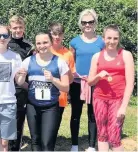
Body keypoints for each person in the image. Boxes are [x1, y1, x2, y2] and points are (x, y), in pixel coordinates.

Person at [17, 31, 70, 151]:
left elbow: (66, 87)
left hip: (50, 107)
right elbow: (20, 82)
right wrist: (21, 77)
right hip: (32, 106)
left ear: (51, 42)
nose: (42, 46)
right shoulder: (28, 61)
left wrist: (53, 79)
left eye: (45, 42)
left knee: (47, 143)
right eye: (39, 43)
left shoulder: (60, 62)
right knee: (35, 141)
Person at [87, 25, 134, 151]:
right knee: (102, 135)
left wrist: (123, 106)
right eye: (109, 38)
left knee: (114, 137)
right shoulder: (97, 56)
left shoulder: (126, 55)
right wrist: (98, 75)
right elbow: (90, 82)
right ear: (103, 38)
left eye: (115, 38)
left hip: (117, 100)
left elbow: (130, 83)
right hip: (99, 99)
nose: (112, 41)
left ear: (119, 39)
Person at [69, 9, 104, 152]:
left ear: (95, 23)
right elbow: (71, 62)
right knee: (75, 114)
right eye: (84, 22)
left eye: (90, 22)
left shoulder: (102, 41)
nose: (87, 25)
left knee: (93, 115)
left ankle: (91, 146)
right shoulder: (74, 41)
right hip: (78, 83)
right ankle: (74, 145)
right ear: (80, 24)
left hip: (95, 83)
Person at [7, 15, 34, 151]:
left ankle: (15, 148)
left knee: (18, 121)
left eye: (20, 27)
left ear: (24, 28)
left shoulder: (30, 47)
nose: (18, 30)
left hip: (21, 90)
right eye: (15, 27)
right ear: (10, 28)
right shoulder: (4, 43)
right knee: (4, 121)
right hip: (5, 89)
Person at [48, 22, 75, 136]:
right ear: (50, 34)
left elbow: (72, 79)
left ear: (63, 35)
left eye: (60, 34)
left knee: (54, 126)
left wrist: (67, 72)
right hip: (44, 94)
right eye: (54, 34)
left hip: (60, 95)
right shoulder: (44, 50)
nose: (57, 37)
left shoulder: (68, 54)